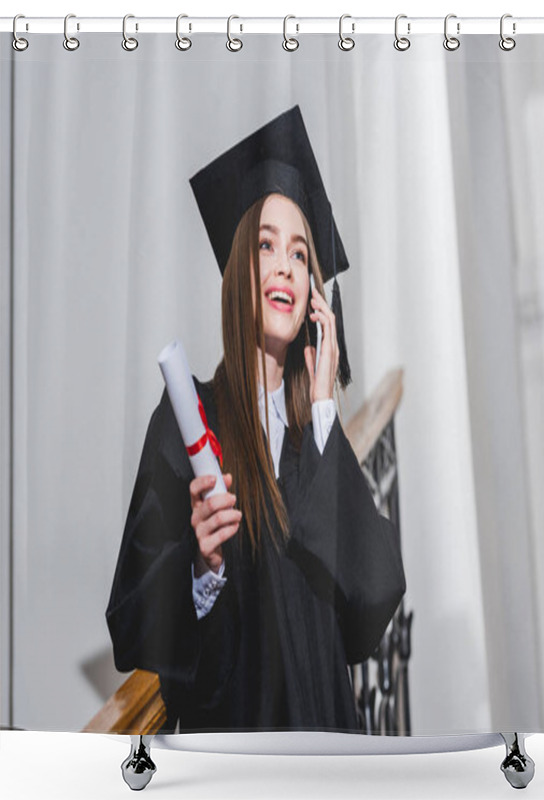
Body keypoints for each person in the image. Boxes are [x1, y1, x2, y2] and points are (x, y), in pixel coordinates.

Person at [106, 106, 406, 733]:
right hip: (244, 755)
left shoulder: (313, 432)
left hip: (334, 753)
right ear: (239, 269)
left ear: (311, 293)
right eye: (266, 244)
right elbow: (131, 621)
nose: (284, 265)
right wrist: (203, 571)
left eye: (300, 254)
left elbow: (374, 600)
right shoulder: (187, 422)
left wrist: (325, 408)